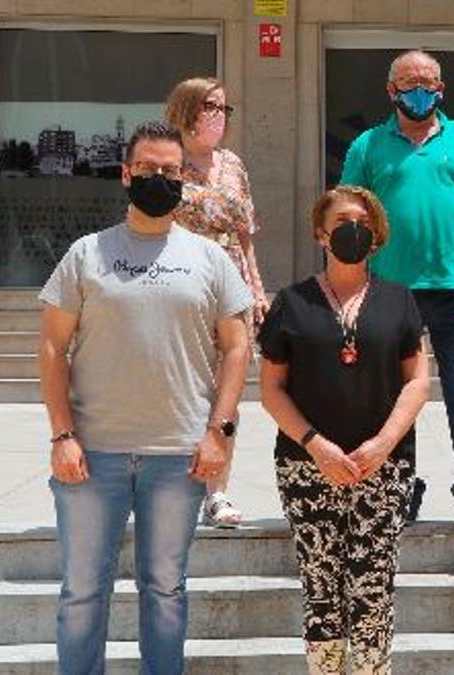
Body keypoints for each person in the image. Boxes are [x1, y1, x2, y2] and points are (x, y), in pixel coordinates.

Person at [38, 120, 253, 674]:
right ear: (126, 174)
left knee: (165, 591)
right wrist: (62, 435)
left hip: (177, 457)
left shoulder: (210, 259)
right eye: (148, 169)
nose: (159, 178)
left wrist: (219, 431)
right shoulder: (87, 253)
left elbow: (237, 347)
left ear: (185, 177)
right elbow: (51, 346)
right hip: (93, 455)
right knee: (83, 592)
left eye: (171, 170)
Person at [258, 185, 429, 674]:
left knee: (373, 588)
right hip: (308, 470)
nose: (351, 229)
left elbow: (418, 380)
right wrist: (317, 447)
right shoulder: (291, 303)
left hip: (383, 467)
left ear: (375, 235)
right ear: (320, 233)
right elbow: (271, 389)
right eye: (340, 222)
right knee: (321, 587)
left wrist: (382, 443)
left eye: (361, 221)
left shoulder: (399, 301)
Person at [340, 49, 454, 537]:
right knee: (390, 398)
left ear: (442, 89)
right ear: (391, 91)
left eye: (429, 82)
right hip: (388, 292)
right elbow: (347, 217)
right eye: (409, 83)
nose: (420, 90)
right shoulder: (368, 147)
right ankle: (398, 487)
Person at [166, 76, 268, 528]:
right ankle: (172, 486)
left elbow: (245, 234)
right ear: (188, 108)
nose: (219, 116)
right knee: (179, 389)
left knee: (227, 393)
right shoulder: (166, 160)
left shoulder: (233, 165)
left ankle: (217, 491)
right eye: (211, 106)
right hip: (178, 279)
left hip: (230, 281)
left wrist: (257, 286)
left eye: (225, 108)